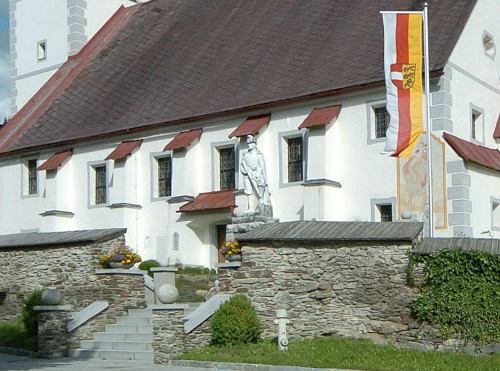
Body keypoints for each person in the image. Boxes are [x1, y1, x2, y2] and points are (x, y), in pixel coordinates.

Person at [240, 135, 272, 216]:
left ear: (254, 143)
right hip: (247, 174)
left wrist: (264, 178)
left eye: (251, 143)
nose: (249, 145)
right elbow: (242, 165)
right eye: (248, 143)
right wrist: (246, 171)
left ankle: (260, 205)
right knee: (248, 191)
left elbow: (263, 167)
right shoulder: (245, 154)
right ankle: (251, 208)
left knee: (260, 189)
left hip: (257, 173)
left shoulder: (259, 154)